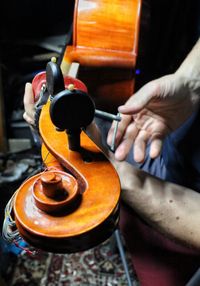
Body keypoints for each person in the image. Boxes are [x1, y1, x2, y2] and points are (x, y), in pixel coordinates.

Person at [23, 38, 200, 286]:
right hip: (174, 142)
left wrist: (114, 173)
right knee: (93, 126)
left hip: (189, 205)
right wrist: (191, 83)